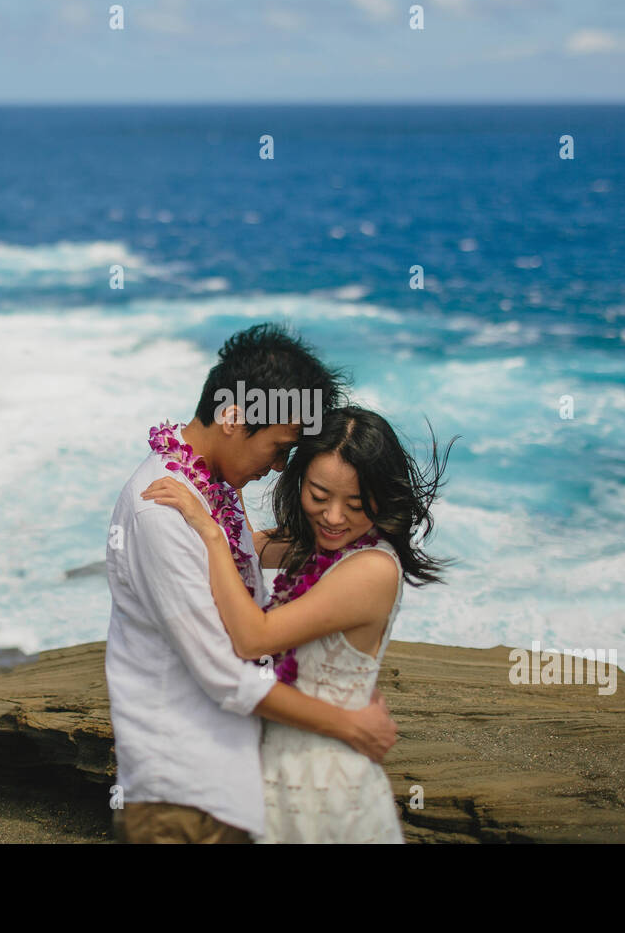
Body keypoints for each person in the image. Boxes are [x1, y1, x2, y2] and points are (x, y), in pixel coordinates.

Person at [105, 324, 399, 844]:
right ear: (233, 417)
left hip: (234, 784)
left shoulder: (212, 493)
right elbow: (226, 672)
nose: (277, 466)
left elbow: (266, 560)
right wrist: (348, 724)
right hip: (184, 794)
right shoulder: (163, 509)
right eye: (280, 446)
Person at [142, 405, 455, 843]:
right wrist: (220, 468)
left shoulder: (372, 569)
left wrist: (211, 535)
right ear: (297, 481)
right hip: (269, 766)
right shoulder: (312, 544)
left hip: (323, 782)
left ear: (382, 498)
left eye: (357, 503)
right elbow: (248, 547)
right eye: (319, 495)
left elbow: (254, 639)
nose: (333, 517)